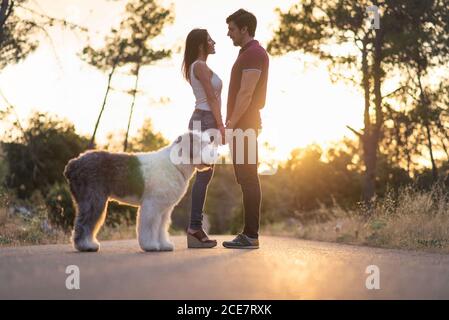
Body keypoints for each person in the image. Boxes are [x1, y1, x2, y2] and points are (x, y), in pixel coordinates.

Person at [222, 9, 269, 249]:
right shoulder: (247, 53)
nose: (228, 33)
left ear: (244, 29)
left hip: (245, 124)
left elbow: (247, 93)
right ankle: (249, 234)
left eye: (231, 29)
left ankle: (251, 235)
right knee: (245, 178)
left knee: (249, 178)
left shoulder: (253, 54)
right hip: (243, 123)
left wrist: (230, 124)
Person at [181, 28, 224, 248]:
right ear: (200, 44)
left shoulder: (196, 66)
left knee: (203, 175)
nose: (214, 42)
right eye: (209, 39)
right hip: (206, 120)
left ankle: (195, 227)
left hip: (202, 120)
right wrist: (221, 126)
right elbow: (212, 99)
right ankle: (195, 228)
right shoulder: (200, 66)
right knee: (204, 175)